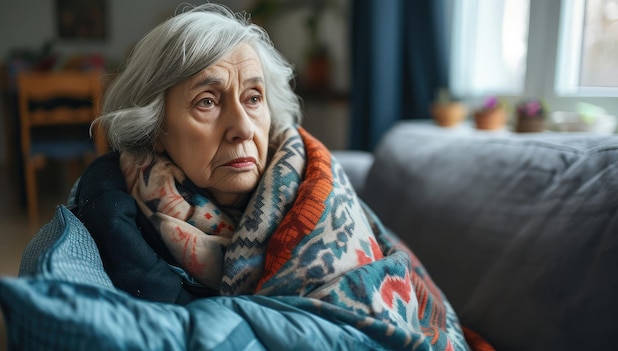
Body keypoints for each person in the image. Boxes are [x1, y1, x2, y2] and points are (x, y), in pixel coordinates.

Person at [72, 3, 470, 349]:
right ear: (156, 128)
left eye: (253, 98)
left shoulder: (311, 181)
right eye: (207, 101)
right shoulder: (118, 208)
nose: (242, 128)